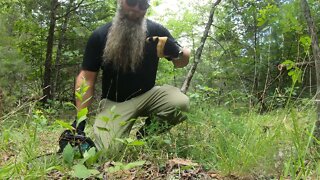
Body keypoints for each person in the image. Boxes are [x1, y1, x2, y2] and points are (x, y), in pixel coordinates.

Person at [74, 0, 191, 155]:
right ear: (121, 2)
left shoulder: (156, 30)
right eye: (132, 2)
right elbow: (86, 78)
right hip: (115, 103)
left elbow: (182, 62)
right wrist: (80, 122)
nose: (136, 9)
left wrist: (176, 51)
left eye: (142, 5)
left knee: (180, 103)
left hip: (148, 95)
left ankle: (146, 136)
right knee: (107, 153)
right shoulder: (100, 35)